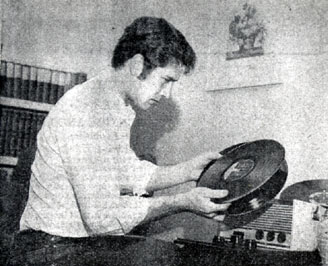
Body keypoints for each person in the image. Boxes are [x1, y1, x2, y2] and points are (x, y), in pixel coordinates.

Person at [8, 17, 229, 265]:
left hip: (73, 246)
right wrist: (180, 202)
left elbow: (127, 172)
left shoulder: (115, 104)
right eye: (166, 80)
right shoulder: (86, 108)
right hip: (45, 251)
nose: (167, 94)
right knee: (165, 257)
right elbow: (101, 219)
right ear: (137, 65)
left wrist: (187, 171)